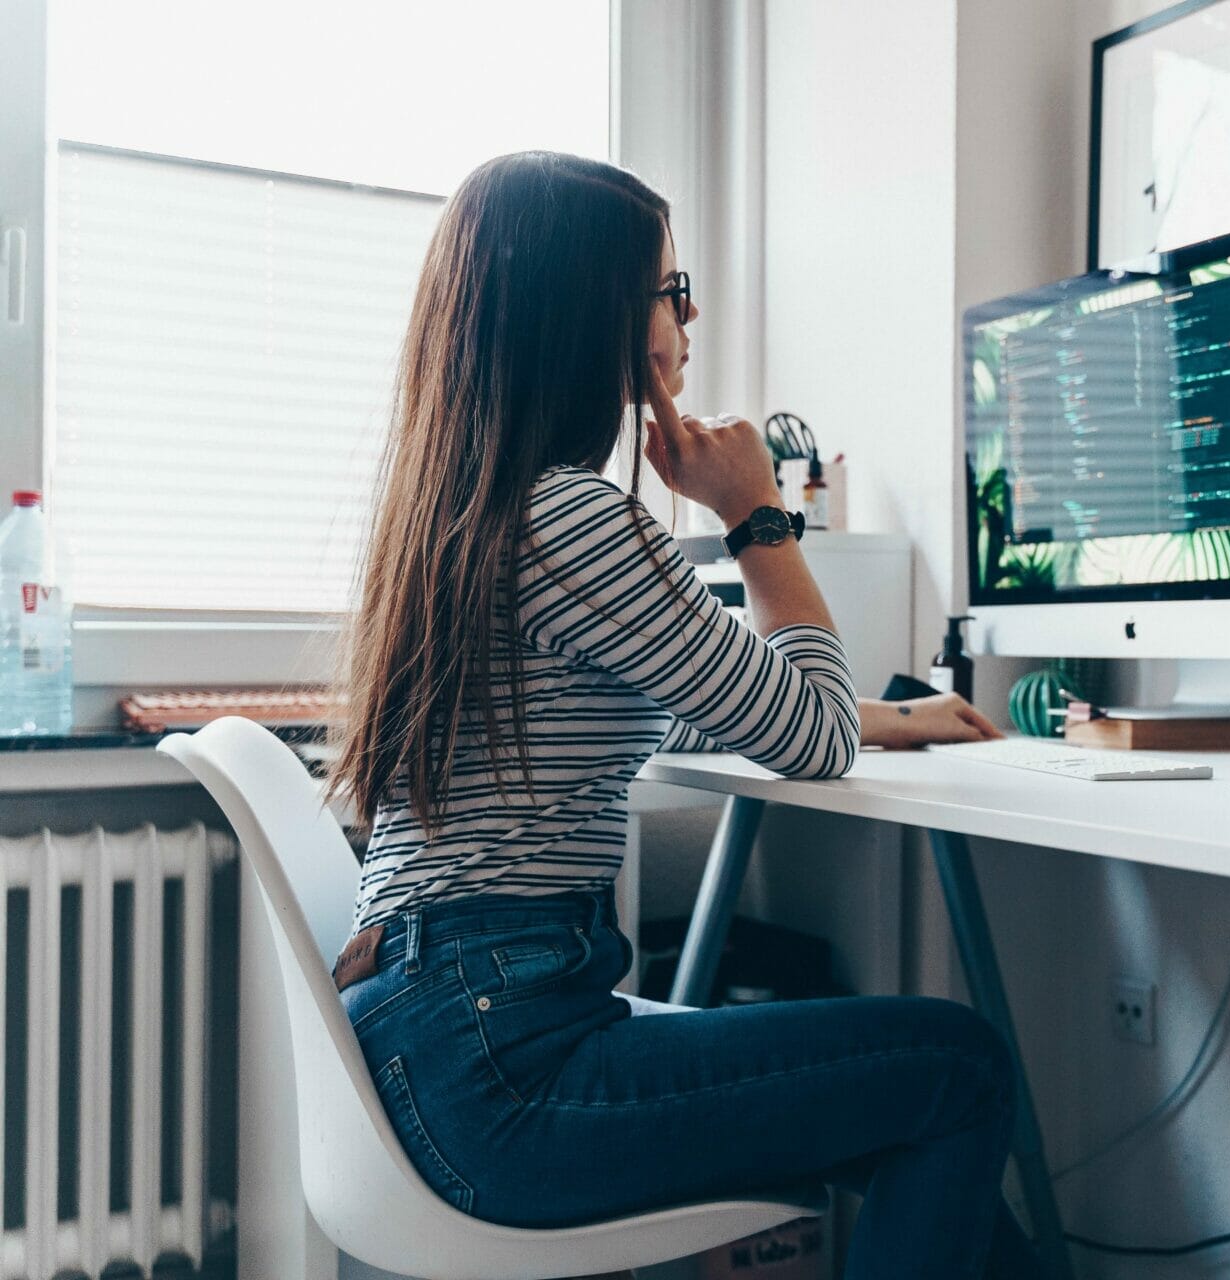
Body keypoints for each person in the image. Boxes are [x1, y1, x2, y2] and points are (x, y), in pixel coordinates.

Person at [327, 151, 1037, 1279]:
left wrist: (888, 715)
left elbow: (687, 703)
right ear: (597, 310)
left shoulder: (470, 510)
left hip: (435, 1036)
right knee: (957, 1067)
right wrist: (757, 513)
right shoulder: (574, 519)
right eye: (671, 287)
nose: (690, 312)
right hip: (502, 1065)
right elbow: (809, 740)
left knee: (917, 1086)